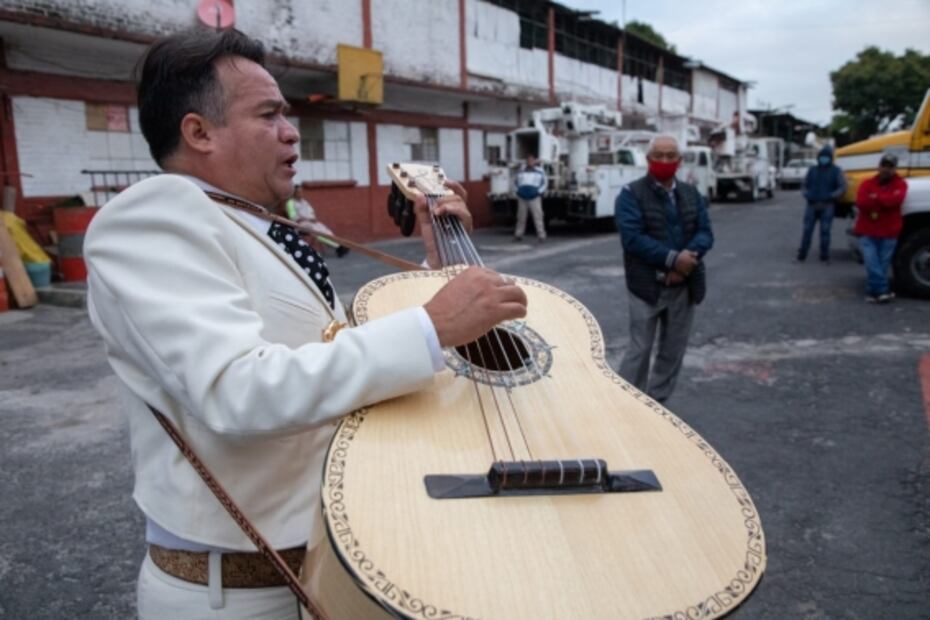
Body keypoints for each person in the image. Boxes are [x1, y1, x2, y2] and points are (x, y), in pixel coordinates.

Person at [83, 28, 527, 619]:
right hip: (240, 594)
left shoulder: (250, 223)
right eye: (269, 115)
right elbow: (236, 387)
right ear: (199, 132)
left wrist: (436, 272)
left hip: (327, 568)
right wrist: (431, 326)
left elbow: (328, 354)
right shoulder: (154, 214)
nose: (291, 132)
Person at [614, 135, 714, 403]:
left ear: (679, 161)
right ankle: (625, 404)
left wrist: (685, 262)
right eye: (659, 155)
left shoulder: (692, 194)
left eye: (671, 156)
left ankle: (657, 405)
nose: (665, 161)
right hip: (646, 287)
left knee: (673, 352)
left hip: (684, 286)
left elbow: (705, 232)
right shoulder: (630, 194)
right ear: (648, 160)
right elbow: (633, 239)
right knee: (639, 351)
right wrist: (672, 259)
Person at [853, 153, 908, 303]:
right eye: (884, 165)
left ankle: (873, 292)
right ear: (879, 166)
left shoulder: (901, 184)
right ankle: (883, 291)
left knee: (882, 264)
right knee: (872, 263)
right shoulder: (867, 183)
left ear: (895, 169)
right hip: (867, 230)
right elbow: (862, 203)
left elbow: (895, 201)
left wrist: (875, 197)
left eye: (890, 167)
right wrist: (882, 199)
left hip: (889, 231)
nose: (886, 169)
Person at [796, 145, 846, 263]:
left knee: (825, 231)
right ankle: (802, 253)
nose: (824, 159)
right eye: (822, 156)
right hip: (812, 204)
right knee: (807, 230)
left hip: (827, 205)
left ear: (830, 158)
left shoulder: (836, 171)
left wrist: (832, 196)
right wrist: (807, 194)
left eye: (826, 157)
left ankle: (824, 254)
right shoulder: (812, 170)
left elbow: (842, 187)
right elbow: (804, 185)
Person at [284, 183, 349, 257]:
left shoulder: (304, 202)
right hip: (300, 224)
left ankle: (338, 244)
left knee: (324, 229)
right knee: (317, 231)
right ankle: (338, 247)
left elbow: (311, 212)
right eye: (298, 192)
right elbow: (293, 217)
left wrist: (313, 218)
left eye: (301, 192)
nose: (300, 193)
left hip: (311, 222)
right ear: (294, 193)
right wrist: (308, 219)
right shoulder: (290, 203)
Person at [513, 153, 547, 242]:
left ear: (535, 161)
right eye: (528, 160)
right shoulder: (521, 171)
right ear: (526, 161)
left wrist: (538, 192)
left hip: (534, 197)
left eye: (532, 160)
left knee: (538, 216)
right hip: (522, 197)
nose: (530, 162)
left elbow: (544, 183)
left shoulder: (540, 171)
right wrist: (518, 191)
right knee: (521, 217)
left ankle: (541, 235)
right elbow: (515, 182)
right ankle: (518, 235)